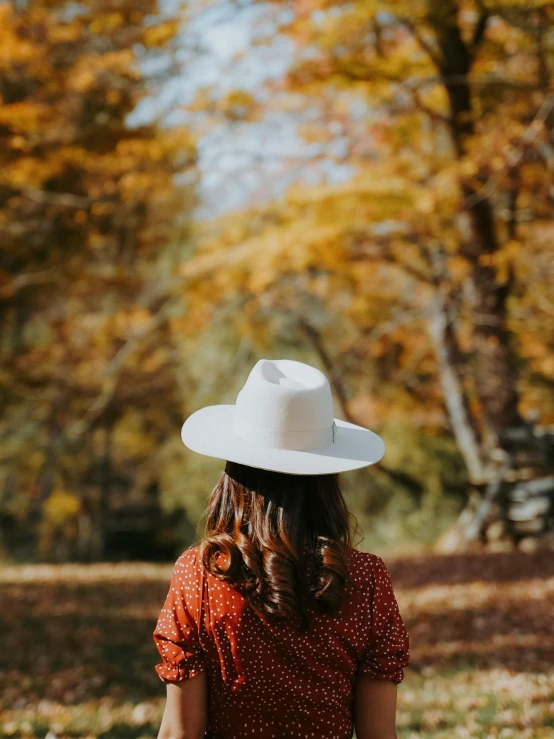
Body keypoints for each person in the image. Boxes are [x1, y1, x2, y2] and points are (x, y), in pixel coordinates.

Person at [153, 358, 410, 739]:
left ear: (234, 472)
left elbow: (181, 733)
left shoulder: (201, 576)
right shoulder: (365, 581)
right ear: (327, 477)